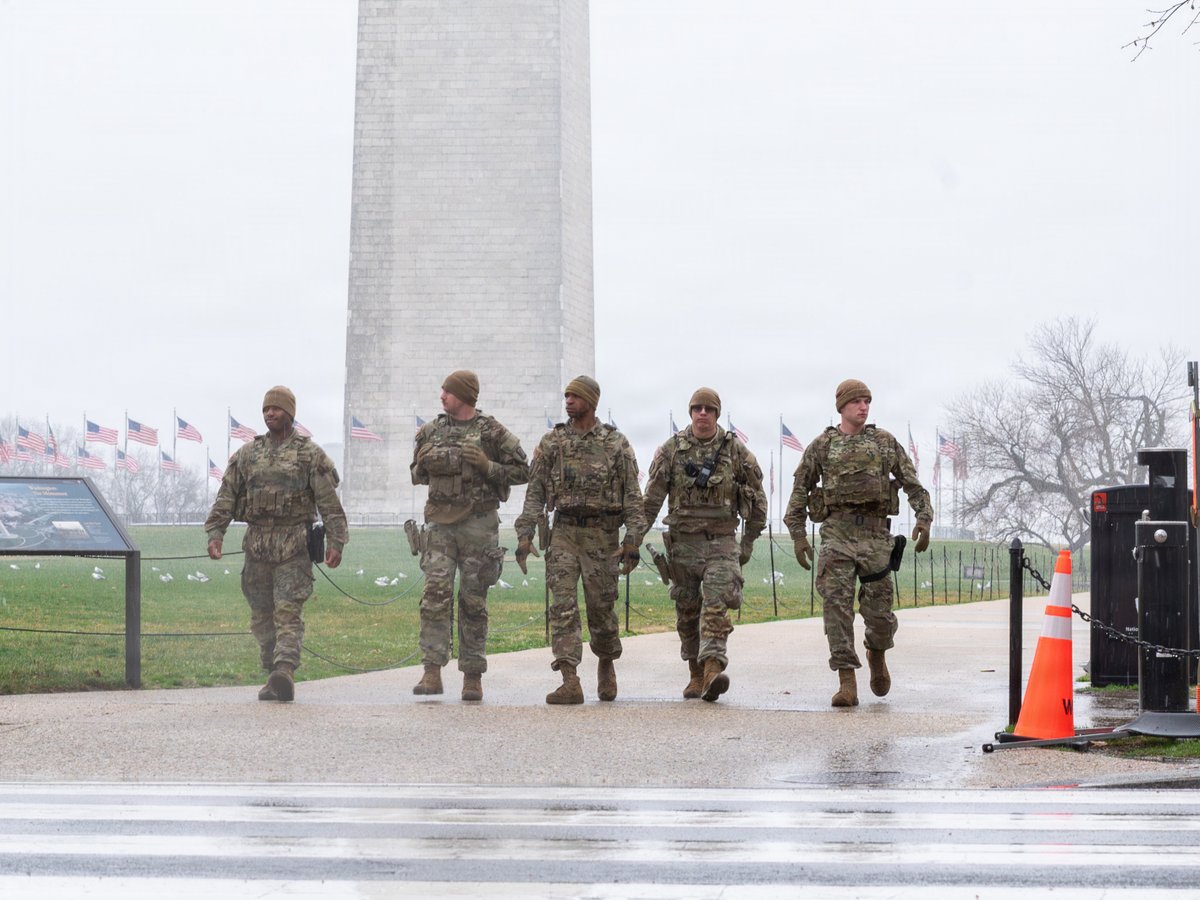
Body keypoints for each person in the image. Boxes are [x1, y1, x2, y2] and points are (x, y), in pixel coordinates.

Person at [784, 378, 933, 708]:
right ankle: (846, 679)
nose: (863, 407)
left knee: (880, 615)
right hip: (836, 535)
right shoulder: (823, 445)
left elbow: (913, 484)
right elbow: (798, 492)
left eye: (867, 401)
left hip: (876, 538)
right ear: (842, 407)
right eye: (857, 402)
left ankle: (877, 652)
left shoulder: (883, 443)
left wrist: (924, 518)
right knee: (835, 607)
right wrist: (797, 536)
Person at [205, 386, 349, 702]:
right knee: (261, 614)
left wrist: (337, 539)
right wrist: (216, 533)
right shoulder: (248, 454)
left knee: (287, 609)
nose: (271, 413)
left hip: (293, 546)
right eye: (266, 409)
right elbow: (227, 496)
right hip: (257, 548)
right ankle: (272, 672)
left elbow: (327, 501)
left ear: (290, 413)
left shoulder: (309, 454)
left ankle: (285, 669)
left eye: (277, 409)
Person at [514, 376, 647, 705]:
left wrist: (632, 540)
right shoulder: (552, 443)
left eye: (575, 396)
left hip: (602, 536)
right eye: (567, 396)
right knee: (562, 607)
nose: (569, 401)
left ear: (592, 401)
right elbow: (535, 493)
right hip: (563, 534)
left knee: (601, 609)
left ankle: (606, 662)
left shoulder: (615, 444)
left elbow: (633, 497)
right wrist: (524, 533)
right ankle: (569, 678)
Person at [410, 370, 529, 702]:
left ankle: (472, 676)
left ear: (463, 395)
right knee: (434, 596)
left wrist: (488, 467)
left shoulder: (491, 431)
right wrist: (425, 463)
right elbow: (416, 475)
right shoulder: (431, 431)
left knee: (474, 601)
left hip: (478, 525)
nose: (441, 396)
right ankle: (432, 671)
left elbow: (523, 470)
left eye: (447, 391)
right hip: (439, 526)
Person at [642, 388, 766, 702]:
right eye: (697, 408)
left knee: (716, 604)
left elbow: (759, 502)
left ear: (716, 414)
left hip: (722, 543)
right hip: (683, 545)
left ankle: (712, 669)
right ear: (690, 413)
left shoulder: (736, 452)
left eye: (709, 409)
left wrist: (747, 543)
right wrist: (632, 540)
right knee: (687, 610)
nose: (702, 413)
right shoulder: (671, 450)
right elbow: (651, 500)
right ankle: (695, 675)